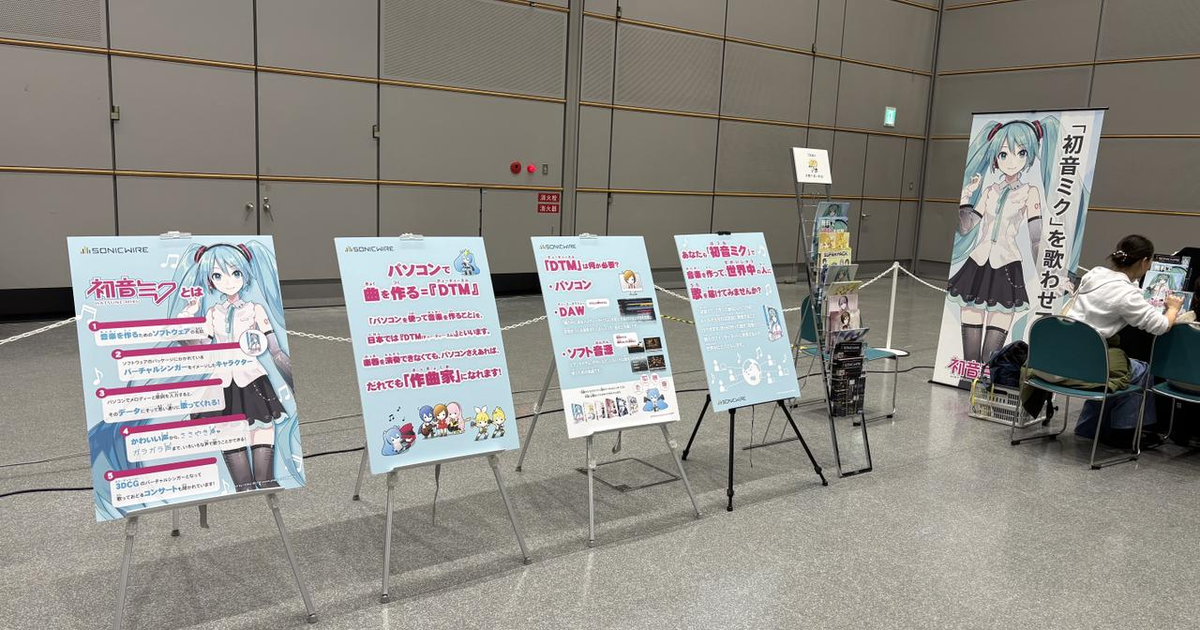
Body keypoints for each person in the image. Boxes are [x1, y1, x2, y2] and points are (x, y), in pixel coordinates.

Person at [1063, 235, 1184, 446]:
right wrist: (1173, 308)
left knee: (1117, 365)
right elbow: (1161, 326)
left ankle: (1088, 427)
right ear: (1144, 262)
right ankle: (1126, 432)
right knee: (1142, 371)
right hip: (1092, 366)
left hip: (1064, 358)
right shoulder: (1127, 295)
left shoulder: (1094, 274)